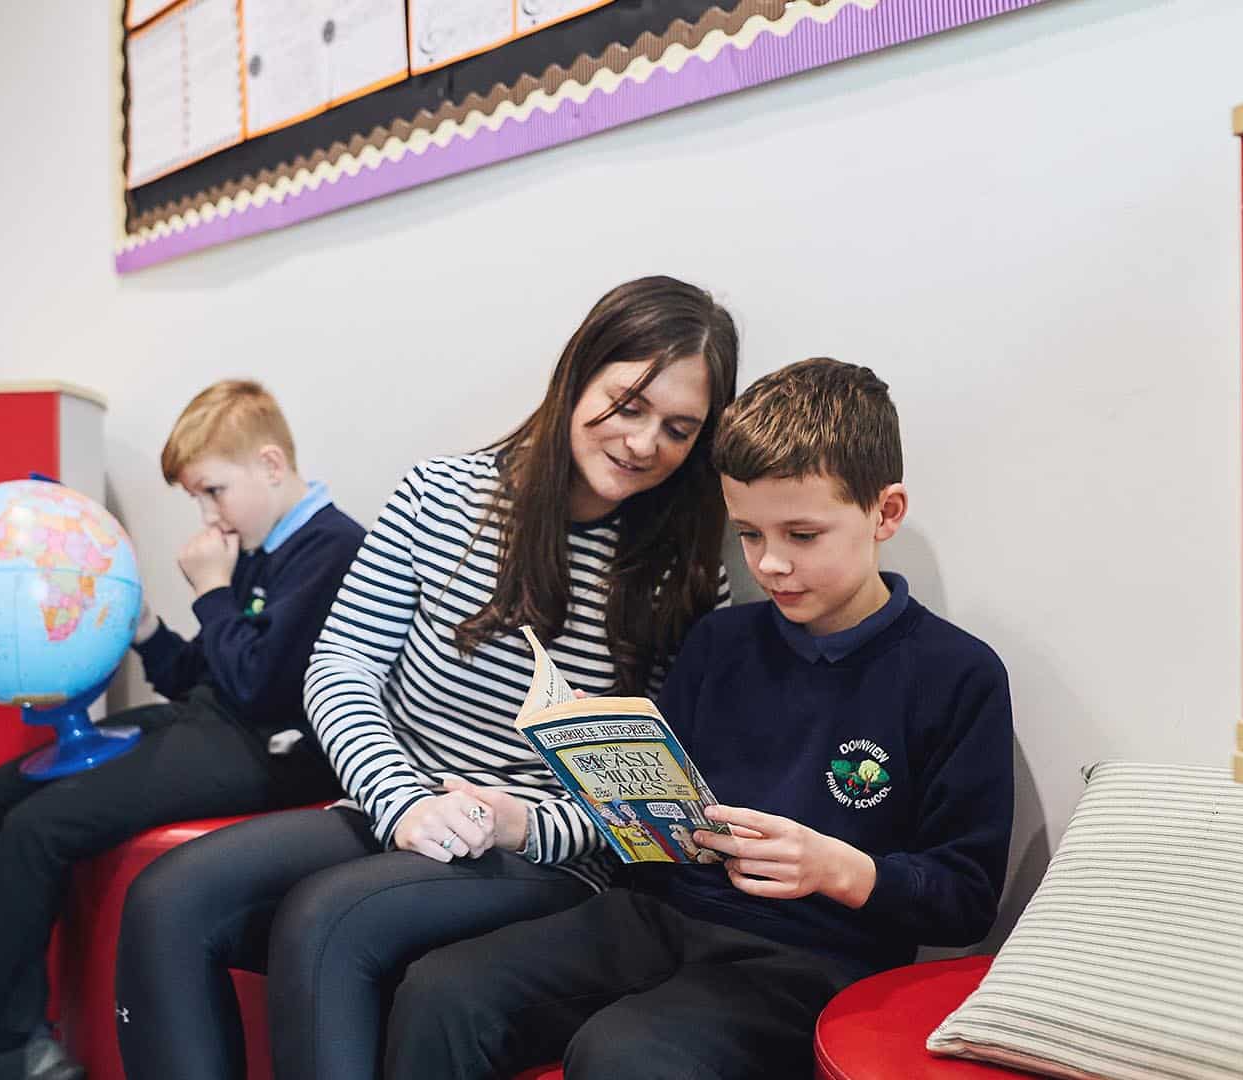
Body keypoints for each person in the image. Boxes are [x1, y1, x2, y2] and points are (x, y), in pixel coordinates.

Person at [114, 276, 741, 1080]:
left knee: (329, 918)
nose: (646, 441)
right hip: (393, 809)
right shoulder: (439, 496)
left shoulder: (681, 575)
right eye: (628, 404)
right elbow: (339, 670)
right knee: (168, 898)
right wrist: (401, 799)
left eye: (679, 428)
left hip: (542, 856)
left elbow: (651, 793)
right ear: (578, 375)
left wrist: (520, 822)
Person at [383, 357, 1015, 1080]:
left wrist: (841, 868)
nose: (771, 563)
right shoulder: (722, 642)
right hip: (659, 916)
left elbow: (966, 898)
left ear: (885, 513)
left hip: (813, 959)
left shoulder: (956, 674)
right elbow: (658, 827)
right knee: (443, 990)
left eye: (802, 535)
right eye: (749, 534)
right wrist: (609, 761)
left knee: (625, 1052)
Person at [0, 380, 365, 1080]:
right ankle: (14, 1036)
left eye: (213, 490)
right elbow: (206, 670)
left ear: (271, 465)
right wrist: (147, 630)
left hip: (274, 750)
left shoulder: (331, 548)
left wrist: (212, 589)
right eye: (196, 497)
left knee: (41, 827)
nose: (206, 514)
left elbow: (259, 685)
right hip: (214, 720)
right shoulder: (260, 543)